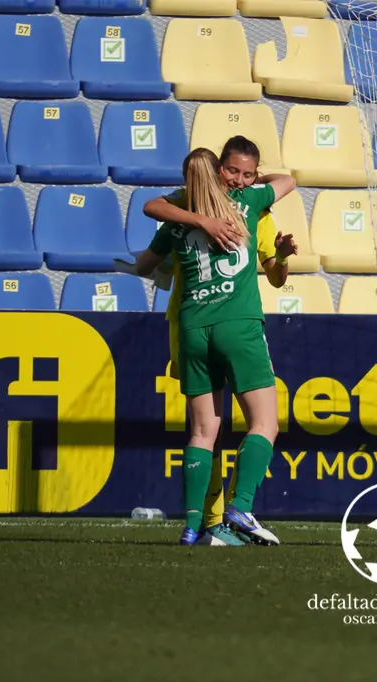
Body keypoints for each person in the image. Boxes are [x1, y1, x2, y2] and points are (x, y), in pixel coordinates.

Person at [132, 143, 295, 547]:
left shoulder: (176, 215)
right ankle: (239, 507)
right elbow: (289, 181)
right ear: (220, 170)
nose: (240, 180)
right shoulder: (251, 203)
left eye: (247, 174)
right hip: (237, 323)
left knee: (204, 431)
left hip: (192, 325)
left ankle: (194, 527)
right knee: (265, 423)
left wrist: (279, 256)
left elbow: (143, 258)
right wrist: (223, 207)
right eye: (233, 172)